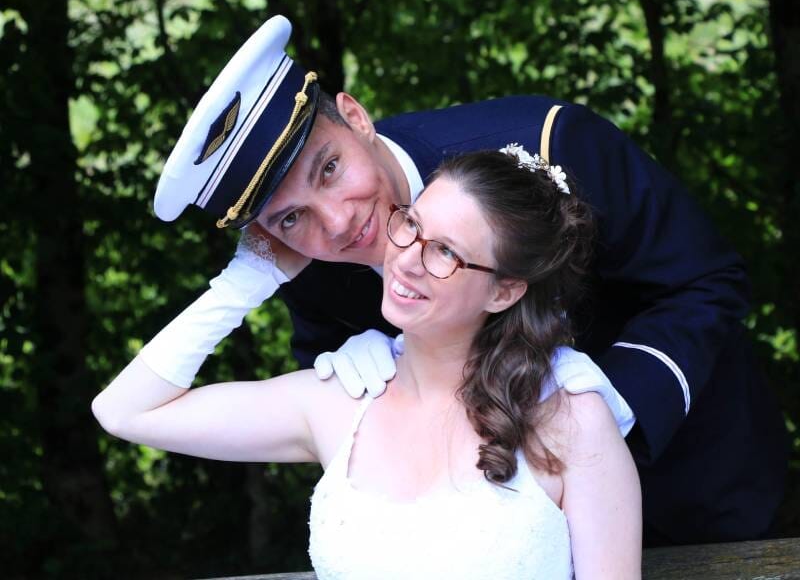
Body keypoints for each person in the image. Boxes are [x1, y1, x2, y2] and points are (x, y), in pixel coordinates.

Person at [146, 15, 786, 545]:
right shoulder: (309, 257)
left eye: (330, 168)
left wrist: (606, 410)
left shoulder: (547, 146)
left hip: (693, 482)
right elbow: (331, 365)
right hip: (501, 531)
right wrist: (347, 365)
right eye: (289, 217)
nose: (338, 223)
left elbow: (705, 281)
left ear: (355, 115)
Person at [93, 150, 642, 579]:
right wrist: (248, 279)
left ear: (504, 291)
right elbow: (124, 411)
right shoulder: (335, 401)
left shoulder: (571, 422)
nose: (407, 258)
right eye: (411, 225)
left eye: (446, 252)